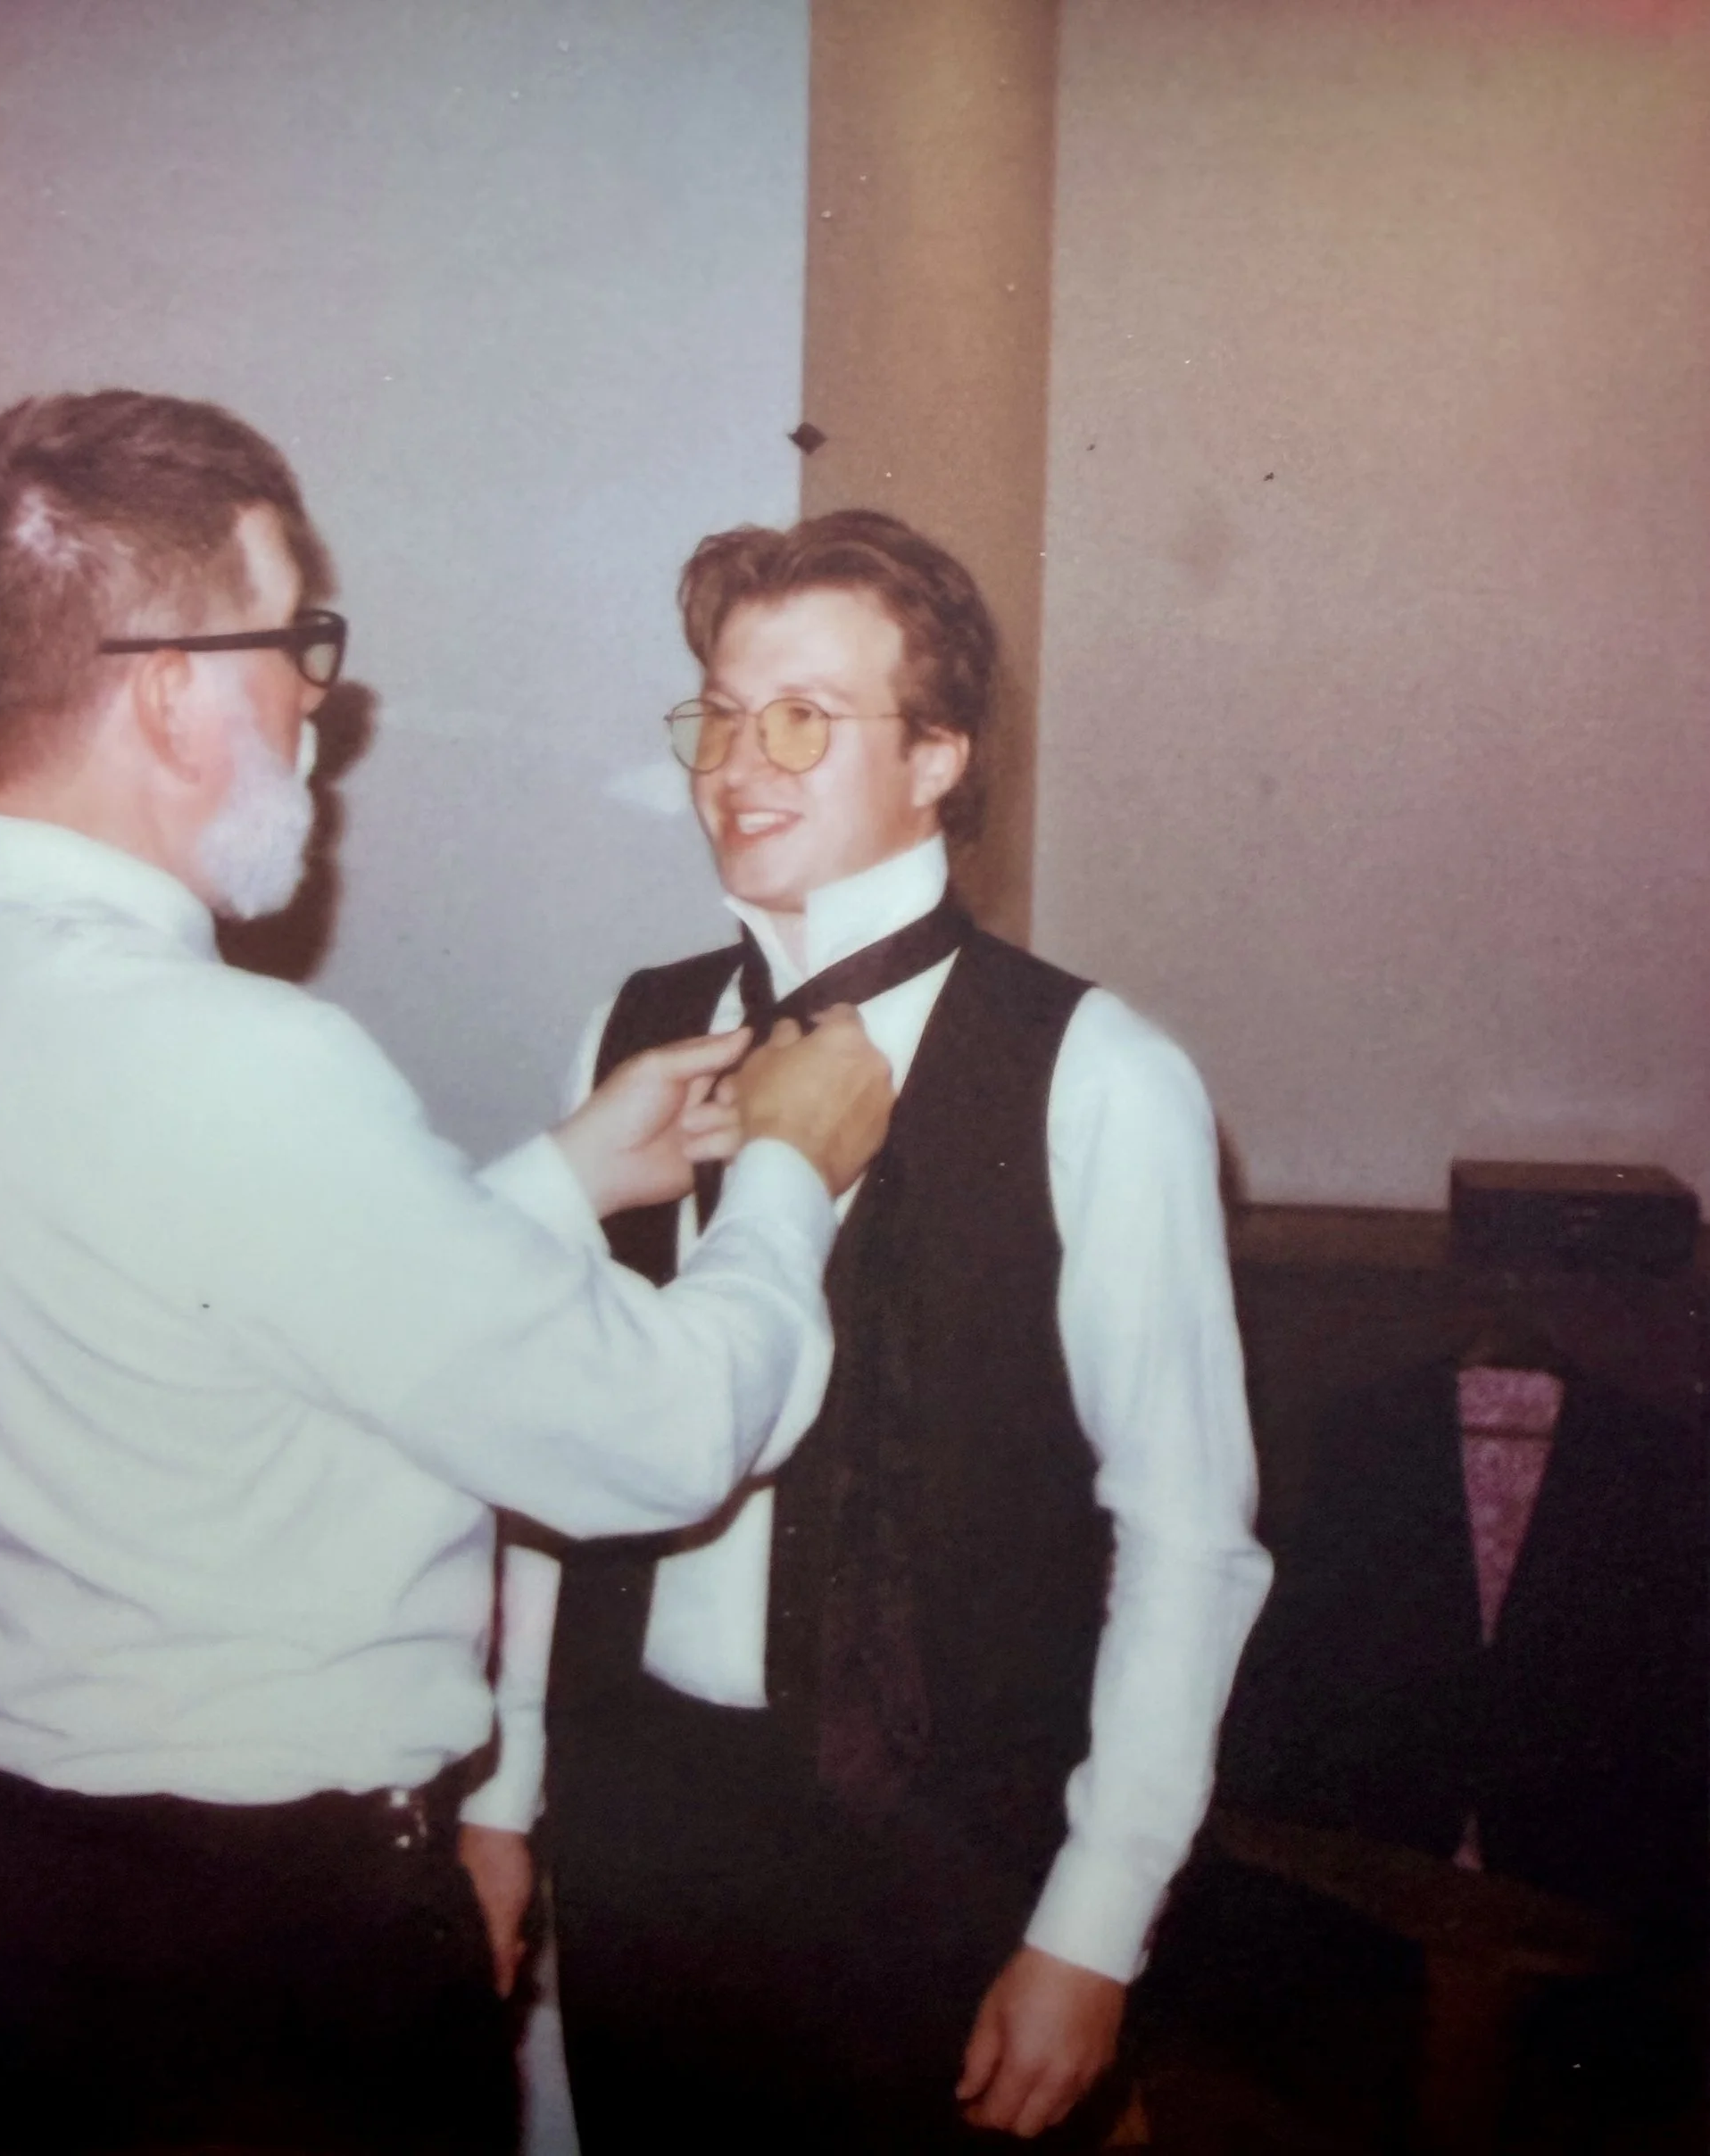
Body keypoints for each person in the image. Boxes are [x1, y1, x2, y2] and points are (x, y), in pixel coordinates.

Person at [0, 392, 894, 2154]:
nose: (323, 697)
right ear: (164, 684)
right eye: (296, 639)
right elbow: (655, 1435)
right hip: (235, 1974)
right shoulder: (236, 1056)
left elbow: (220, 1313)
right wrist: (790, 1160)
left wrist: (558, 1179)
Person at [468, 510, 1274, 2149]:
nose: (735, 767)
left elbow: (1188, 1542)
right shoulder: (629, 1030)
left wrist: (1091, 1926)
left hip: (942, 1857)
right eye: (718, 711)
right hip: (645, 1834)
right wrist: (504, 1791)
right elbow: (552, 1449)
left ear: (939, 758)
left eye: (804, 719)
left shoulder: (1099, 1075)